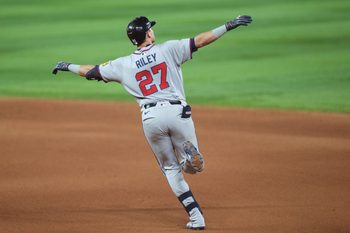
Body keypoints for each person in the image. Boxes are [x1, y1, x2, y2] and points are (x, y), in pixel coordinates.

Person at [52, 15, 252, 230]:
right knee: (194, 168)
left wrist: (67, 65)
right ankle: (190, 161)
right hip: (178, 113)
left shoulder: (122, 64)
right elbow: (201, 40)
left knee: (169, 168)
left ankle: (196, 217)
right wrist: (228, 25)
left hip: (151, 119)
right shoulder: (169, 49)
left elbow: (90, 72)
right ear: (148, 34)